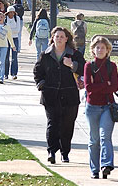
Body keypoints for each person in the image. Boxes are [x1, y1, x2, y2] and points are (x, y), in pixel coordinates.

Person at [33, 26, 86, 164]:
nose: (59, 39)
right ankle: (51, 151)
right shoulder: (45, 55)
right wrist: (41, 84)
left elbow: (84, 68)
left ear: (67, 38)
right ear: (53, 38)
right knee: (53, 124)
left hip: (70, 96)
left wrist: (72, 65)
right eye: (57, 36)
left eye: (62, 36)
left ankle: (65, 152)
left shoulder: (74, 54)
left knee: (67, 125)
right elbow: (38, 71)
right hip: (50, 95)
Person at [84, 36, 118, 179]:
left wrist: (100, 86)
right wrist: (106, 85)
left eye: (102, 48)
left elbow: (115, 86)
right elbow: (89, 88)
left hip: (107, 106)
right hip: (92, 107)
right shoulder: (89, 66)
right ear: (93, 50)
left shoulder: (112, 66)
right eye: (97, 47)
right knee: (94, 140)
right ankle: (94, 169)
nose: (100, 50)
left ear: (107, 50)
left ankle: (106, 165)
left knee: (105, 137)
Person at [4, 6, 21, 80]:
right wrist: (10, 31)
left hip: (15, 38)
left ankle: (14, 73)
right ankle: (5, 73)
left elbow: (17, 30)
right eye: (10, 12)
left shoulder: (17, 19)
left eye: (12, 12)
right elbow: (4, 29)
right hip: (6, 39)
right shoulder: (5, 19)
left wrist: (9, 30)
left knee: (14, 56)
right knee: (6, 56)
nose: (11, 14)